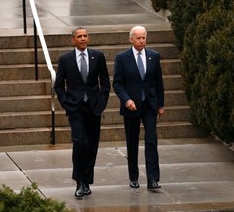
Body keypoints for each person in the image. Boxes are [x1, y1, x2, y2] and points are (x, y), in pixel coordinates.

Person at [54, 27, 110, 198]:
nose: (83, 39)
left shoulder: (98, 56)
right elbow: (58, 85)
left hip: (93, 107)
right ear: (73, 40)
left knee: (92, 145)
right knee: (80, 142)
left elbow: (105, 82)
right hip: (75, 108)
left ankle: (86, 181)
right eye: (80, 36)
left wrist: (101, 103)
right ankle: (79, 181)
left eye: (85, 36)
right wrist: (66, 103)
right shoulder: (65, 59)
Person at [113, 25, 164, 190]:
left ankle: (153, 179)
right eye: (138, 38)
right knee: (132, 141)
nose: (142, 41)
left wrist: (160, 105)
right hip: (132, 106)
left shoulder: (154, 56)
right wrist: (126, 100)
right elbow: (118, 83)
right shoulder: (122, 58)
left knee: (151, 140)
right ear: (131, 39)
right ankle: (133, 177)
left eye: (144, 38)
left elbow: (158, 83)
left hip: (149, 105)